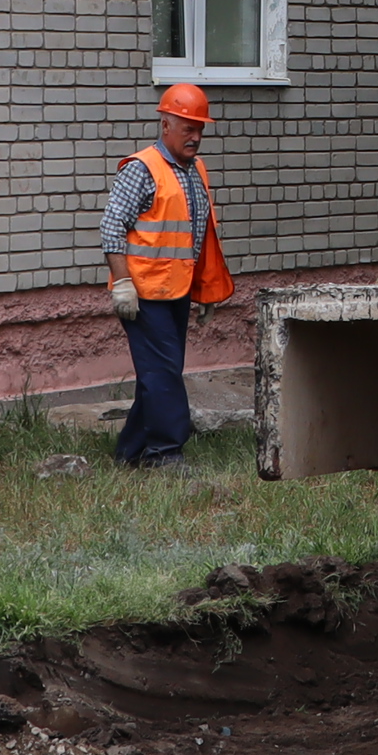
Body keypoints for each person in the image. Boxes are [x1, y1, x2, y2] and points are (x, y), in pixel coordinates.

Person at [100, 83, 231, 468]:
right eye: (188, 127)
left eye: (200, 129)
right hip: (144, 294)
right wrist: (122, 284)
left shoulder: (195, 170)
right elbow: (112, 227)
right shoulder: (142, 168)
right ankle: (164, 452)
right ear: (165, 124)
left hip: (176, 291)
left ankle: (131, 454)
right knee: (163, 375)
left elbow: (198, 237)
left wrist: (206, 291)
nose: (195, 137)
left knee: (159, 374)